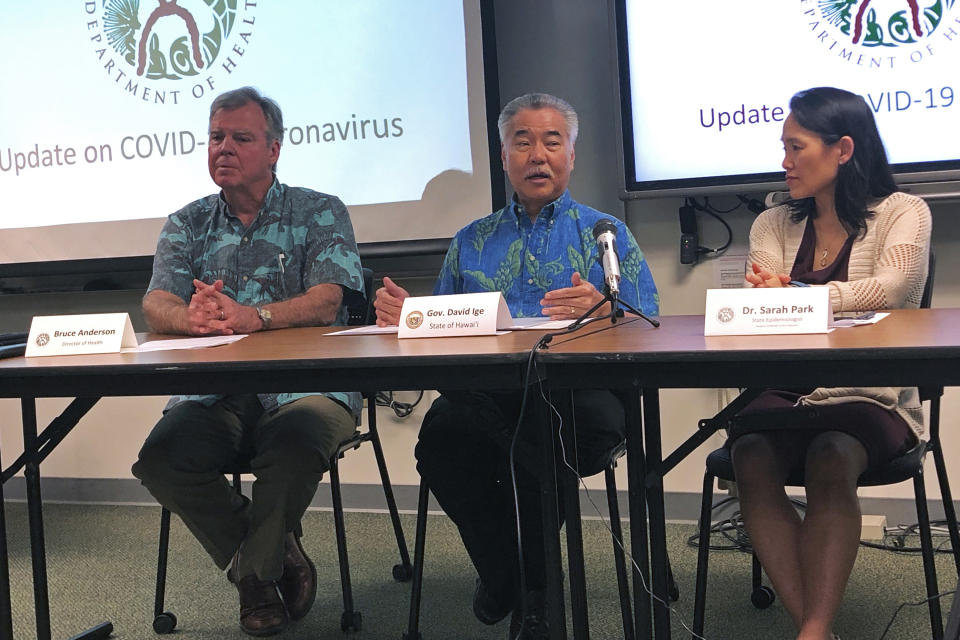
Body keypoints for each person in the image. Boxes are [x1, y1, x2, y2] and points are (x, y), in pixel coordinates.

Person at [374, 93, 659, 639]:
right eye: (522, 142)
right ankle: (508, 576)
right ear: (502, 156)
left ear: (571, 156)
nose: (537, 154)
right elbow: (437, 326)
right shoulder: (471, 241)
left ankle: (533, 596)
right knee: (440, 443)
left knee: (534, 437)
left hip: (581, 397)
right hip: (486, 394)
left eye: (552, 142)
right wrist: (404, 316)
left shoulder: (604, 234)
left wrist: (605, 302)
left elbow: (650, 318)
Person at [132, 86, 363, 637]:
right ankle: (274, 555)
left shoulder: (319, 211)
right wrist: (192, 319)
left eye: (240, 137)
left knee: (294, 444)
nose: (224, 148)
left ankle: (255, 580)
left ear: (274, 149)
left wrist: (253, 317)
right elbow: (155, 301)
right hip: (216, 393)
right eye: (216, 137)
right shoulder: (186, 223)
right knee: (162, 458)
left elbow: (329, 297)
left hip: (308, 388)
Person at [733, 86, 931, 640]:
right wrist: (782, 293)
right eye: (784, 148)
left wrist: (801, 293)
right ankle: (816, 631)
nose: (785, 162)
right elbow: (760, 297)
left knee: (831, 455)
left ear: (842, 149)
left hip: (871, 394)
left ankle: (813, 630)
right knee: (748, 454)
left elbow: (896, 289)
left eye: (796, 148)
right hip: (784, 388)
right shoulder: (772, 223)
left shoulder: (904, 212)